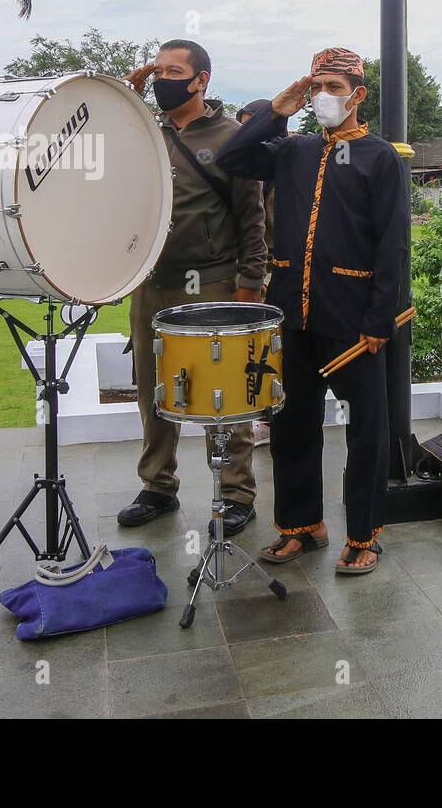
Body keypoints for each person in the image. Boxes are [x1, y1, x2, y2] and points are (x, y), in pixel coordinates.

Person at [216, 48, 408, 575]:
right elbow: (233, 158)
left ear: (358, 94)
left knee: (366, 430)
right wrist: (277, 109)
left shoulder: (380, 157)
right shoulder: (293, 150)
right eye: (316, 84)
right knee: (291, 424)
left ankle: (364, 534)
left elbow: (392, 244)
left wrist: (378, 321)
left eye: (334, 85)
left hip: (352, 320)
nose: (323, 94)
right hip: (291, 316)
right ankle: (302, 526)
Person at [115, 40, 268, 537]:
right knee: (151, 389)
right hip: (151, 283)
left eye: (173, 71)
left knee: (218, 390)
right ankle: (158, 485)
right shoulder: (144, 134)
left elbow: (252, 216)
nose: (162, 79)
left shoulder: (232, 137)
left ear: (201, 80)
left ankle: (235, 492)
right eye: (157, 71)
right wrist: (126, 97)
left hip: (213, 283)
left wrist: (251, 282)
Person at [238, 97, 283, 450]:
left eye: (252, 124)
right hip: (255, 270)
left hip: (279, 269)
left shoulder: (286, 161)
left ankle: (271, 420)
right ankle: (262, 417)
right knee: (255, 350)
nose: (246, 133)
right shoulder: (246, 169)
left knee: (274, 350)